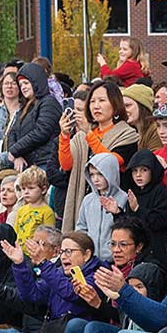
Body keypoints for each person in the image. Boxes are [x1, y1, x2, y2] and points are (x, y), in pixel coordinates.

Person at [59, 79, 139, 228]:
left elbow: (109, 163)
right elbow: (66, 165)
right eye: (92, 101)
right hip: (85, 200)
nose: (96, 106)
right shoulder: (81, 136)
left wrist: (89, 134)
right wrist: (64, 135)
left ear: (115, 105)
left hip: (114, 204)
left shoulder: (127, 134)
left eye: (102, 100)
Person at [6, 62, 61, 173]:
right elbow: (12, 133)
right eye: (21, 85)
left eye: (26, 83)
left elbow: (42, 132)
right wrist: (17, 155)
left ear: (36, 82)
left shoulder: (49, 103)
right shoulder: (25, 108)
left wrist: (15, 151)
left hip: (45, 162)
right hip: (28, 164)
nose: (23, 87)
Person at [123, 149, 167, 268]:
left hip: (156, 252)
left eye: (144, 170)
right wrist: (117, 213)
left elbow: (162, 220)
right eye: (135, 171)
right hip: (137, 252)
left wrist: (138, 209)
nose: (138, 175)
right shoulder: (133, 192)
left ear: (152, 171)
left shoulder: (160, 191)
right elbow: (130, 224)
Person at [75, 153, 128, 264]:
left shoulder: (124, 198)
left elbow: (128, 229)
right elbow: (81, 228)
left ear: (111, 173)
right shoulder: (88, 200)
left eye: (100, 174)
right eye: (92, 174)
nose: (95, 179)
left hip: (115, 261)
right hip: (91, 260)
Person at [12, 166, 56, 248]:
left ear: (43, 189)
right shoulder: (21, 210)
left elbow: (49, 238)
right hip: (20, 252)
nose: (26, 192)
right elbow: (16, 233)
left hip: (37, 253)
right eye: (23, 189)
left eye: (31, 188)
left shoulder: (47, 211)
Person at [122, 84, 159, 152]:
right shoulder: (132, 131)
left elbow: (154, 159)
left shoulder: (156, 130)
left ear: (141, 106)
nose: (123, 110)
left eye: (127, 105)